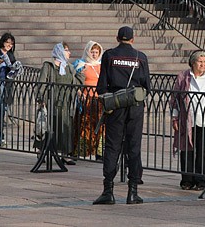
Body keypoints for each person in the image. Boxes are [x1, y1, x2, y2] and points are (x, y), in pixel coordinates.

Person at [93, 26, 151, 205]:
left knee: (112, 147)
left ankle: (108, 191)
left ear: (117, 38)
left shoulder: (109, 55)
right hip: (135, 106)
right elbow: (147, 85)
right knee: (134, 147)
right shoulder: (140, 57)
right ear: (133, 39)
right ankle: (133, 191)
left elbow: (102, 85)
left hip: (116, 106)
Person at [171, 50, 205, 191]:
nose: (203, 64)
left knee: (203, 150)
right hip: (188, 118)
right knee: (187, 149)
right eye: (200, 62)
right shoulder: (184, 77)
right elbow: (175, 98)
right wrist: (175, 117)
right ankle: (187, 180)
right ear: (193, 63)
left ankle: (203, 180)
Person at [38, 43, 84, 164]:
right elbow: (42, 82)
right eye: (67, 50)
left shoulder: (69, 67)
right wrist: (41, 98)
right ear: (60, 51)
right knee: (49, 127)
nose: (69, 53)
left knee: (65, 127)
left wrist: (81, 71)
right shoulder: (49, 65)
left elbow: (76, 82)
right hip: (52, 102)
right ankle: (42, 151)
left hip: (66, 103)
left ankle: (65, 154)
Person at [74, 40, 104, 158]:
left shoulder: (102, 65)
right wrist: (80, 92)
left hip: (100, 99)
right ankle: (82, 150)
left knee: (100, 126)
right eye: (92, 52)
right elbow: (75, 80)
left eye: (96, 52)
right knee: (85, 125)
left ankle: (99, 152)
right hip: (87, 100)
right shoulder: (81, 64)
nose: (94, 54)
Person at [0, 32, 19, 144]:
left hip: (6, 85)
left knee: (1, 111)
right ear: (3, 42)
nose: (9, 45)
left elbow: (14, 69)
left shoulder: (11, 55)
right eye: (7, 42)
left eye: (11, 44)